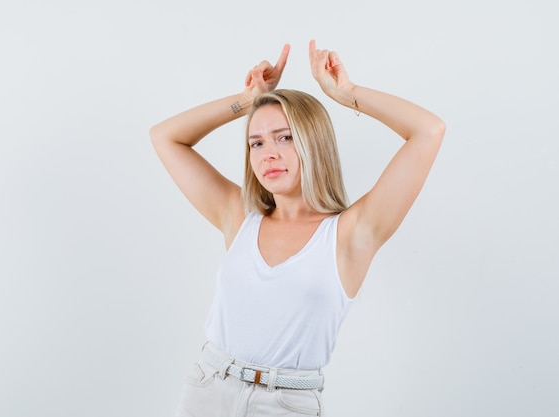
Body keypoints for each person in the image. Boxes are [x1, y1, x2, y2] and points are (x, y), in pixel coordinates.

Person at [149, 40, 445, 417]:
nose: (267, 153)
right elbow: (165, 137)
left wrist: (346, 93)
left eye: (284, 137)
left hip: (286, 403)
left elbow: (429, 131)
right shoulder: (239, 217)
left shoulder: (351, 234)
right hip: (209, 388)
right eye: (256, 142)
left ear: (313, 142)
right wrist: (248, 99)